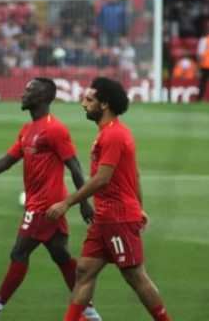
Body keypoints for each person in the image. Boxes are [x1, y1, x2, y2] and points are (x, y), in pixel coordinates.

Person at [0, 78, 101, 321]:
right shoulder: (27, 130)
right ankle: (90, 313)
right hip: (41, 204)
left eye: (29, 91)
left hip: (46, 205)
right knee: (61, 255)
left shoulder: (54, 129)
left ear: (42, 98)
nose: (23, 94)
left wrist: (84, 202)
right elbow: (6, 161)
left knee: (18, 253)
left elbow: (74, 167)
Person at [47, 77, 171, 321]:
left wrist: (67, 202)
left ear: (104, 105)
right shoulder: (110, 133)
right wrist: (139, 207)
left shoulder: (113, 136)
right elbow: (133, 174)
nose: (83, 103)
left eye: (89, 99)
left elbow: (102, 179)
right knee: (84, 271)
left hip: (117, 217)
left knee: (135, 276)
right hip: (105, 217)